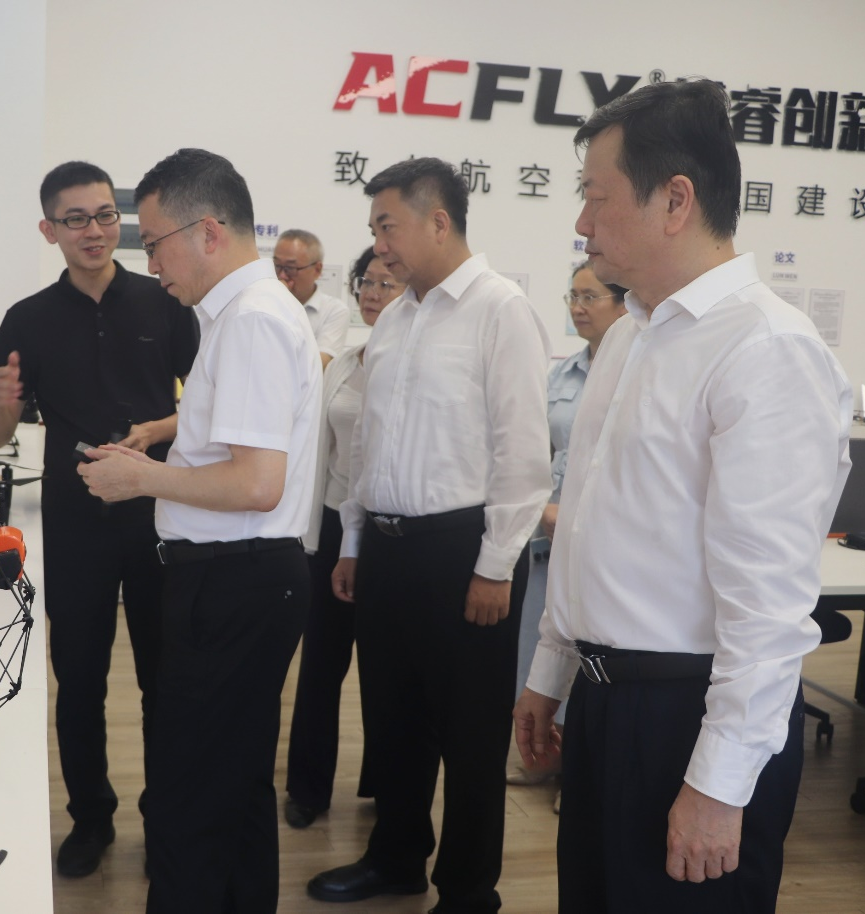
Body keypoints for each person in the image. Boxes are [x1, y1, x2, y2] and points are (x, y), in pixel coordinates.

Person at [513, 79, 852, 914]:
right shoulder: (629, 335)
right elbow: (588, 527)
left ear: (674, 200)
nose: (582, 222)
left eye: (596, 198)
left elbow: (767, 606)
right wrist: (551, 671)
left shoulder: (765, 350)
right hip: (603, 700)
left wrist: (717, 784)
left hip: (686, 717)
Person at [77, 147, 322, 914]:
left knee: (188, 806)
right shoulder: (248, 313)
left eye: (153, 243)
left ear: (208, 231)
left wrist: (140, 479)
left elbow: (255, 483)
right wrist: (165, 432)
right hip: (245, 578)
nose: (150, 264)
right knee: (234, 790)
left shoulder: (250, 321)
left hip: (232, 582)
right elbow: (240, 431)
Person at [308, 157, 551, 914]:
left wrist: (496, 564)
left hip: (461, 551)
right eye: (374, 229)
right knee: (392, 717)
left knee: (470, 733)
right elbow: (366, 445)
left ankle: (469, 890)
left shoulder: (500, 310)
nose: (378, 246)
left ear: (438, 221)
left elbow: (522, 452)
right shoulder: (395, 320)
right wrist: (353, 542)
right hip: (385, 547)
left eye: (387, 226)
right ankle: (396, 858)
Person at [0, 160, 199, 878]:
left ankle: (166, 817)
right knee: (78, 682)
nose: (94, 230)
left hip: (159, 513)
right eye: (76, 219)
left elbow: (207, 401)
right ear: (50, 231)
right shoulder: (28, 317)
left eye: (105, 215)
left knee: (165, 680)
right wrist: (1, 402)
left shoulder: (164, 301)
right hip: (75, 523)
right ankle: (90, 819)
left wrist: (157, 429)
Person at [283, 247, 402, 829]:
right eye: (365, 282)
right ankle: (307, 789)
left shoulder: (413, 368)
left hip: (387, 531)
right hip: (333, 524)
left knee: (386, 667)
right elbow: (318, 453)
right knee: (321, 663)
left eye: (385, 282)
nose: (372, 293)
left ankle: (385, 782)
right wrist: (309, 537)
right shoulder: (345, 363)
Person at [507, 263, 628, 807]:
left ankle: (577, 771)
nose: (577, 307)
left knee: (589, 660)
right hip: (547, 538)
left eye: (589, 296)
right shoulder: (563, 375)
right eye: (572, 296)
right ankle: (543, 756)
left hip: (601, 545)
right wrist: (542, 508)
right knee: (538, 651)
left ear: (622, 304)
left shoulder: (634, 371)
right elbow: (535, 453)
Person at [274, 228, 349, 368]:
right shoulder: (266, 304)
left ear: (317, 269)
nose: (282, 275)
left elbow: (320, 364)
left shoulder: (334, 310)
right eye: (277, 266)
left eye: (291, 268)